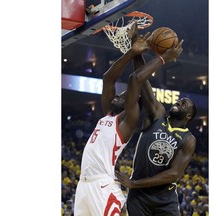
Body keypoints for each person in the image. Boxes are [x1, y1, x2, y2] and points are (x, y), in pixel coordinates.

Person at [73, 25, 183, 215]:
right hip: (83, 186)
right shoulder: (107, 114)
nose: (117, 96)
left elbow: (136, 79)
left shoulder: (126, 123)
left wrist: (163, 58)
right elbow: (108, 79)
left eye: (123, 96)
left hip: (103, 187)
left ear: (130, 105)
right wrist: (131, 52)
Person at [115, 47, 197, 215]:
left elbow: (173, 174)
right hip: (139, 198)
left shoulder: (188, 139)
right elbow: (142, 80)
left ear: (188, 116)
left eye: (184, 104)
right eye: (180, 100)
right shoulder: (157, 115)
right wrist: (137, 49)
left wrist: (134, 183)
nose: (179, 102)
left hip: (164, 200)